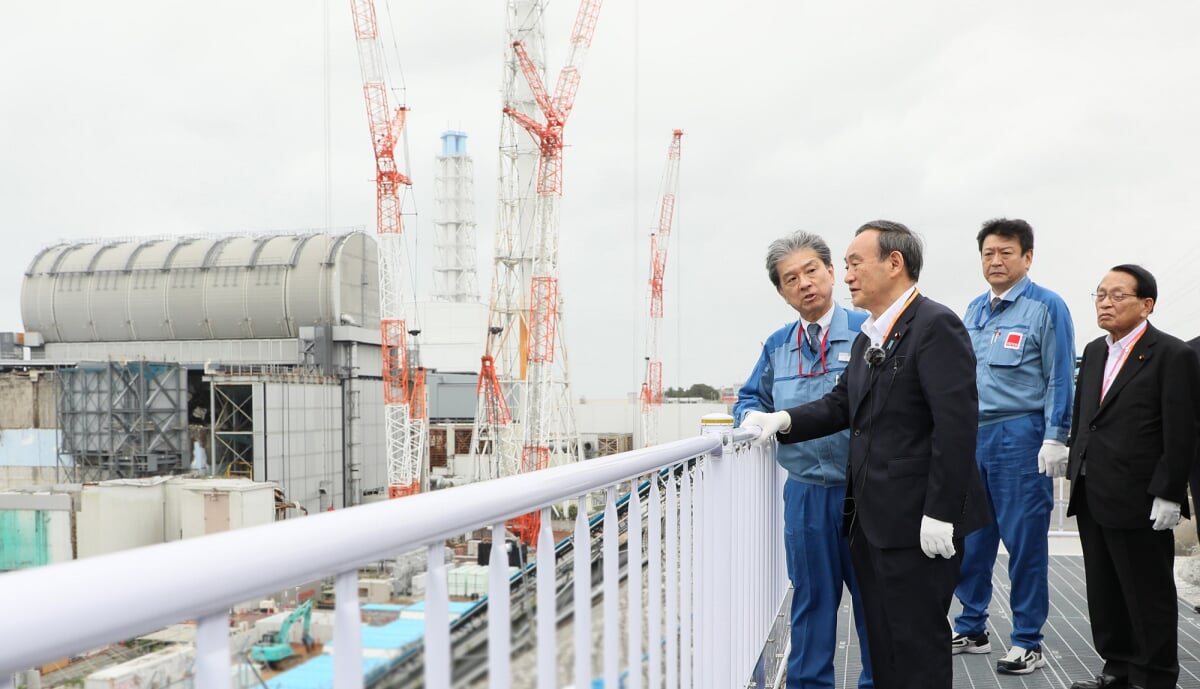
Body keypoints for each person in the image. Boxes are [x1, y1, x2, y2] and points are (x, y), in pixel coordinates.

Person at [742, 220, 989, 689]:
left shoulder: (935, 325)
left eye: (854, 263)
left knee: (916, 645)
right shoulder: (872, 335)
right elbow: (841, 404)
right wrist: (783, 420)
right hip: (875, 520)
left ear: (894, 263)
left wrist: (940, 512)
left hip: (918, 519)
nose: (848, 275)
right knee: (885, 642)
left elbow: (956, 428)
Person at [733, 230, 873, 689]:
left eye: (812, 270)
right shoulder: (777, 345)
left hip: (867, 493)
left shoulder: (867, 332)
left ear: (832, 273)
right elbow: (750, 397)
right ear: (781, 291)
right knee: (812, 602)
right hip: (808, 495)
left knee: (877, 602)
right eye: (791, 278)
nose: (805, 283)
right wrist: (752, 417)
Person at [951, 218, 1076, 674]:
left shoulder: (1047, 307)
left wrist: (1055, 436)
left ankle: (1028, 640)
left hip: (1020, 435)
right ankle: (972, 625)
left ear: (1027, 257)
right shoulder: (973, 310)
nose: (996, 261)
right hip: (974, 437)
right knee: (972, 538)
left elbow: (1060, 374)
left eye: (1006, 252)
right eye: (988, 253)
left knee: (1024, 542)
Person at [1066, 264, 1199, 689]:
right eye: (1100, 294)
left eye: (1117, 295)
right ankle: (1118, 668)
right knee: (1105, 591)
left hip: (1140, 495)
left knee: (1147, 594)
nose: (1105, 302)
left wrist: (1169, 493)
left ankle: (1153, 676)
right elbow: (1085, 419)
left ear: (1147, 305)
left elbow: (1181, 430)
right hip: (1092, 489)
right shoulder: (1095, 351)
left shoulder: (1171, 354)